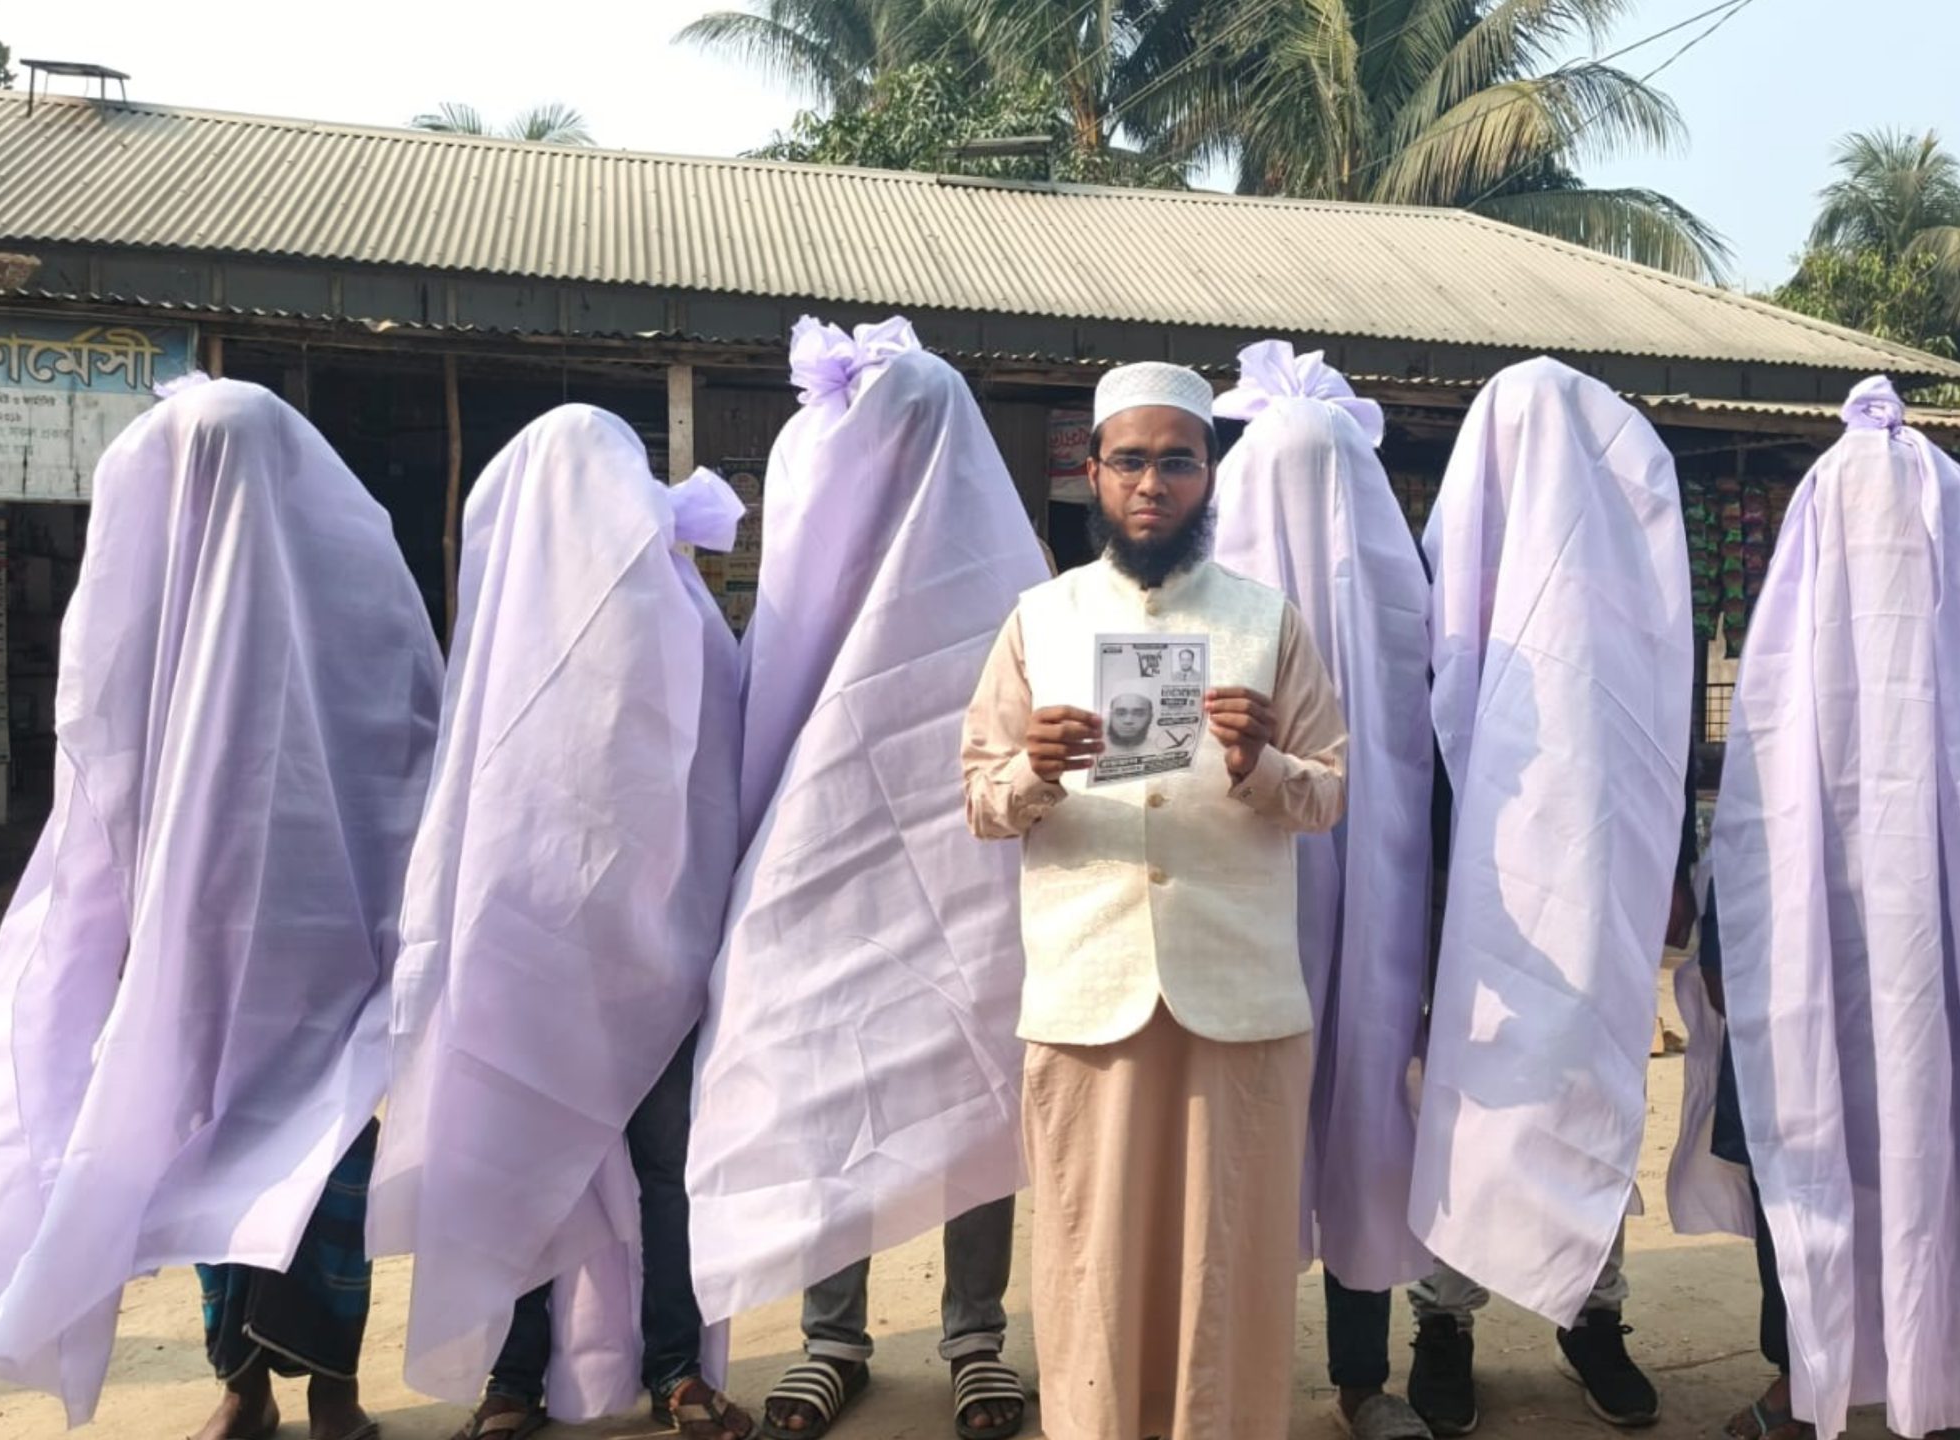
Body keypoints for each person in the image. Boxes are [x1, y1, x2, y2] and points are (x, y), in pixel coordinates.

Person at [0, 376, 442, 1440]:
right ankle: (242, 1382)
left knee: (319, 1162)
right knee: (194, 1147)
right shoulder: (156, 603)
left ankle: (332, 1385)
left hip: (326, 935)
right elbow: (96, 748)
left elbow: (413, 735)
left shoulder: (354, 588)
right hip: (192, 934)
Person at [962, 359, 1349, 1440]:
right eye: (1129, 460)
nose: (1151, 483)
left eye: (1176, 461)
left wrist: (1259, 764)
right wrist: (1035, 769)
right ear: (1091, 472)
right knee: (1092, 1265)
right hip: (1091, 995)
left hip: (1237, 999)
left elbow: (1326, 796)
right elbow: (982, 804)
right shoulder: (1039, 620)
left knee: (1229, 1263)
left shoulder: (1265, 621)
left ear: (1207, 475)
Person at [688, 318, 1048, 1440]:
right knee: (815, 1067)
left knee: (976, 1072)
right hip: (825, 856)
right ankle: (830, 1334)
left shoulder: (1011, 577)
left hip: (972, 865)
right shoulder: (819, 544)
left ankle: (975, 1335)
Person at [366, 405, 750, 1440]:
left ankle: (670, 1366)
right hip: (536, 949)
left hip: (652, 955)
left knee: (646, 1168)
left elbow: (718, 785)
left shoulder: (685, 623)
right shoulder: (509, 642)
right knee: (524, 1152)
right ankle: (517, 1372)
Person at [1704, 377, 1960, 1440]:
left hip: (1952, 967)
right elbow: (1749, 819)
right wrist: (1731, 939)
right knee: (1798, 1152)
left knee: (1951, 1147)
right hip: (1809, 960)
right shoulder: (1786, 663)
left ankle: (1949, 1365)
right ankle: (1800, 1369)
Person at [1407, 357, 1692, 1433]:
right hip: (1462, 895)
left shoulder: (1635, 591)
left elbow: (1663, 737)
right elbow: (1414, 735)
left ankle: (1591, 1312)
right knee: (1466, 1099)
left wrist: (1669, 872)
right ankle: (1444, 1323)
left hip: (1599, 881)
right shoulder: (1438, 576)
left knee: (1592, 1082)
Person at [1208, 342, 1436, 1440]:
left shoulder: (1415, 624)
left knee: (1359, 1121)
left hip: (1377, 907)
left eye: (1332, 484)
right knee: (1241, 1131)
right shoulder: (1195, 621)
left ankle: (1363, 1374)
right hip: (1240, 907)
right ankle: (1235, 1373)